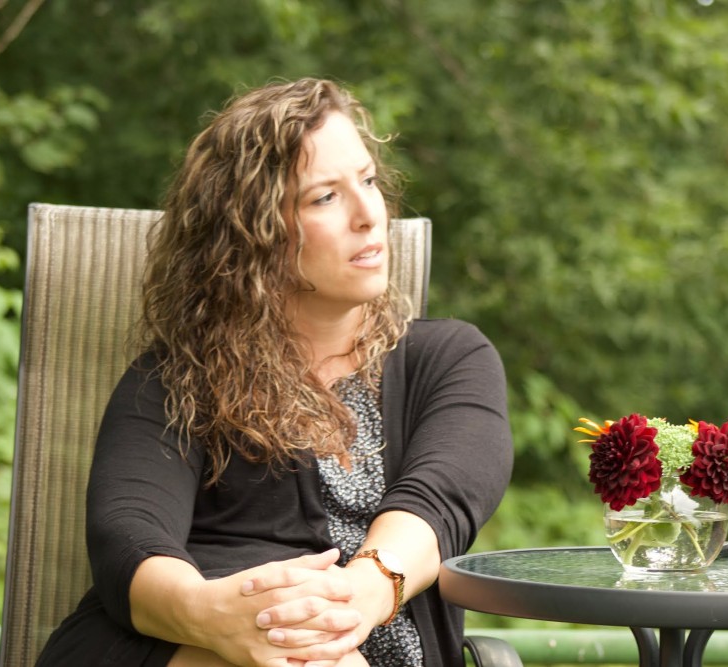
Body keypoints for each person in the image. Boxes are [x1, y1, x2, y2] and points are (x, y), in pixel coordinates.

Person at [35, 78, 513, 667]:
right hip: (179, 645)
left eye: (367, 181)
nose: (370, 215)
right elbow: (128, 536)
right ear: (251, 235)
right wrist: (214, 617)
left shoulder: (450, 360)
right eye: (324, 198)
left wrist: (353, 601)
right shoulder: (178, 377)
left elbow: (440, 503)